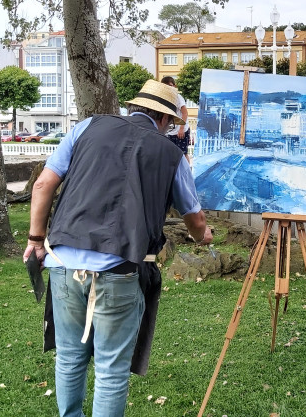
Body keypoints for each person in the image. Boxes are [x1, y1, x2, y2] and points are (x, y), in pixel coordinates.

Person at [24, 80, 213, 417]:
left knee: (69, 357)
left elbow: (43, 184)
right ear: (164, 119)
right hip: (121, 269)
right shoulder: (171, 155)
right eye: (171, 122)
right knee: (110, 369)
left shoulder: (87, 126)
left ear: (134, 107)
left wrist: (35, 239)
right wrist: (204, 237)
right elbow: (195, 219)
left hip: (64, 261)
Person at [160, 76, 191, 164]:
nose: (168, 88)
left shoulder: (178, 97)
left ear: (175, 86)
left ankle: (186, 174)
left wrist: (181, 129)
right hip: (170, 131)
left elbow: (185, 113)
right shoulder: (164, 99)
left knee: (183, 154)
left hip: (181, 130)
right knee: (171, 154)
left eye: (170, 86)